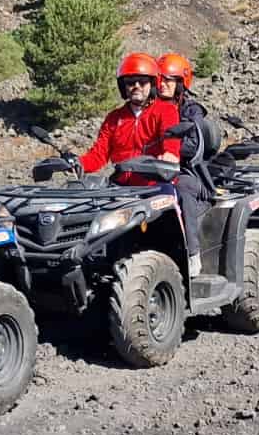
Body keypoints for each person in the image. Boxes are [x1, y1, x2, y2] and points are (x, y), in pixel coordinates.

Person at [77, 50, 203, 273]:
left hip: (153, 185)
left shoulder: (166, 111)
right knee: (84, 205)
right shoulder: (114, 118)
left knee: (179, 197)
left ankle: (190, 253)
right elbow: (98, 154)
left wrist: (169, 157)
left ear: (152, 84)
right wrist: (78, 164)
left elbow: (171, 145)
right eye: (130, 82)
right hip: (122, 186)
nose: (136, 86)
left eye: (142, 81)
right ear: (123, 86)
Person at [154, 52, 216, 276]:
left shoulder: (192, 110)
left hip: (191, 175)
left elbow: (193, 143)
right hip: (155, 172)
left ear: (181, 83)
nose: (162, 85)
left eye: (169, 80)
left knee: (182, 186)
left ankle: (193, 253)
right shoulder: (152, 109)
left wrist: (169, 150)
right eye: (160, 80)